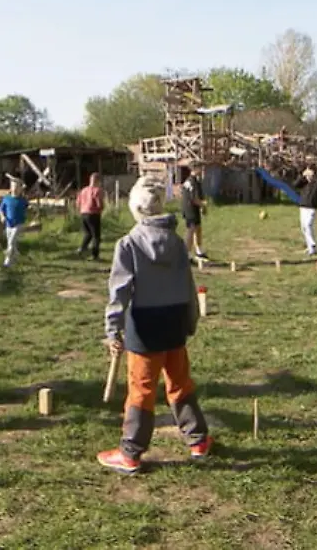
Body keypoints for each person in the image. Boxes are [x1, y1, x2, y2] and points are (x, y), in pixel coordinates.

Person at [97, 176, 212, 474]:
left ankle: (130, 453)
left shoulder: (128, 244)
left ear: (136, 208)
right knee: (180, 382)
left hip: (145, 328)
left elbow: (119, 292)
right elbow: (188, 285)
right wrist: (190, 321)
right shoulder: (176, 242)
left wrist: (113, 329)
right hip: (175, 323)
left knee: (141, 389)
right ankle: (198, 440)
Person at [293, 166, 317, 256]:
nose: (309, 177)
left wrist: (314, 175)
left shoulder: (316, 183)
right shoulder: (304, 182)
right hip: (303, 207)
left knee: (308, 225)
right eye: (308, 175)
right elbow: (295, 184)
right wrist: (302, 176)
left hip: (311, 208)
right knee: (304, 228)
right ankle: (310, 247)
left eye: (310, 175)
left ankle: (312, 244)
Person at [0, 179, 29, 267]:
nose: (15, 189)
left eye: (17, 187)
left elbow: (27, 207)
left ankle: (7, 261)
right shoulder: (6, 199)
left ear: (20, 189)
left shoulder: (22, 200)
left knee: (11, 242)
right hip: (8, 224)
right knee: (12, 243)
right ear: (10, 188)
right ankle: (16, 255)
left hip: (19, 224)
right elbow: (1, 209)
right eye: (13, 187)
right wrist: (2, 216)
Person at [76, 173, 105, 260]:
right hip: (93, 213)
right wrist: (101, 208)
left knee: (88, 233)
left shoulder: (84, 190)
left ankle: (82, 248)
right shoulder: (97, 190)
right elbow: (99, 203)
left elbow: (78, 203)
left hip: (83, 213)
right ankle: (95, 255)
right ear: (97, 181)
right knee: (96, 236)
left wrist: (81, 209)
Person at [180, 165, 207, 259]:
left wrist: (202, 206)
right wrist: (203, 205)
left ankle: (199, 251)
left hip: (194, 208)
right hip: (190, 208)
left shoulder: (195, 181)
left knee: (198, 228)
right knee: (190, 230)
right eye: (200, 168)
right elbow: (194, 199)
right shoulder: (191, 181)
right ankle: (186, 254)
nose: (202, 170)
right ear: (195, 169)